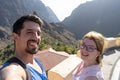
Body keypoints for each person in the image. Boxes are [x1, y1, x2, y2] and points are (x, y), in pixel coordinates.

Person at [0, 14, 48, 80]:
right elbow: (10, 74)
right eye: (30, 32)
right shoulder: (14, 69)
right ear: (15, 36)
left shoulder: (37, 63)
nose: (36, 37)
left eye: (38, 33)